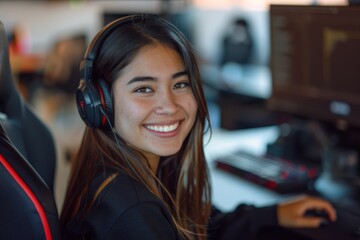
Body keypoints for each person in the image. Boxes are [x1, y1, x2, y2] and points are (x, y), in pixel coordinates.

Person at [60, 14, 336, 240]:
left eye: (180, 84)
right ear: (98, 103)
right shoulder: (134, 213)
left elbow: (200, 224)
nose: (169, 106)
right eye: (144, 88)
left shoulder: (134, 176)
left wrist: (273, 215)